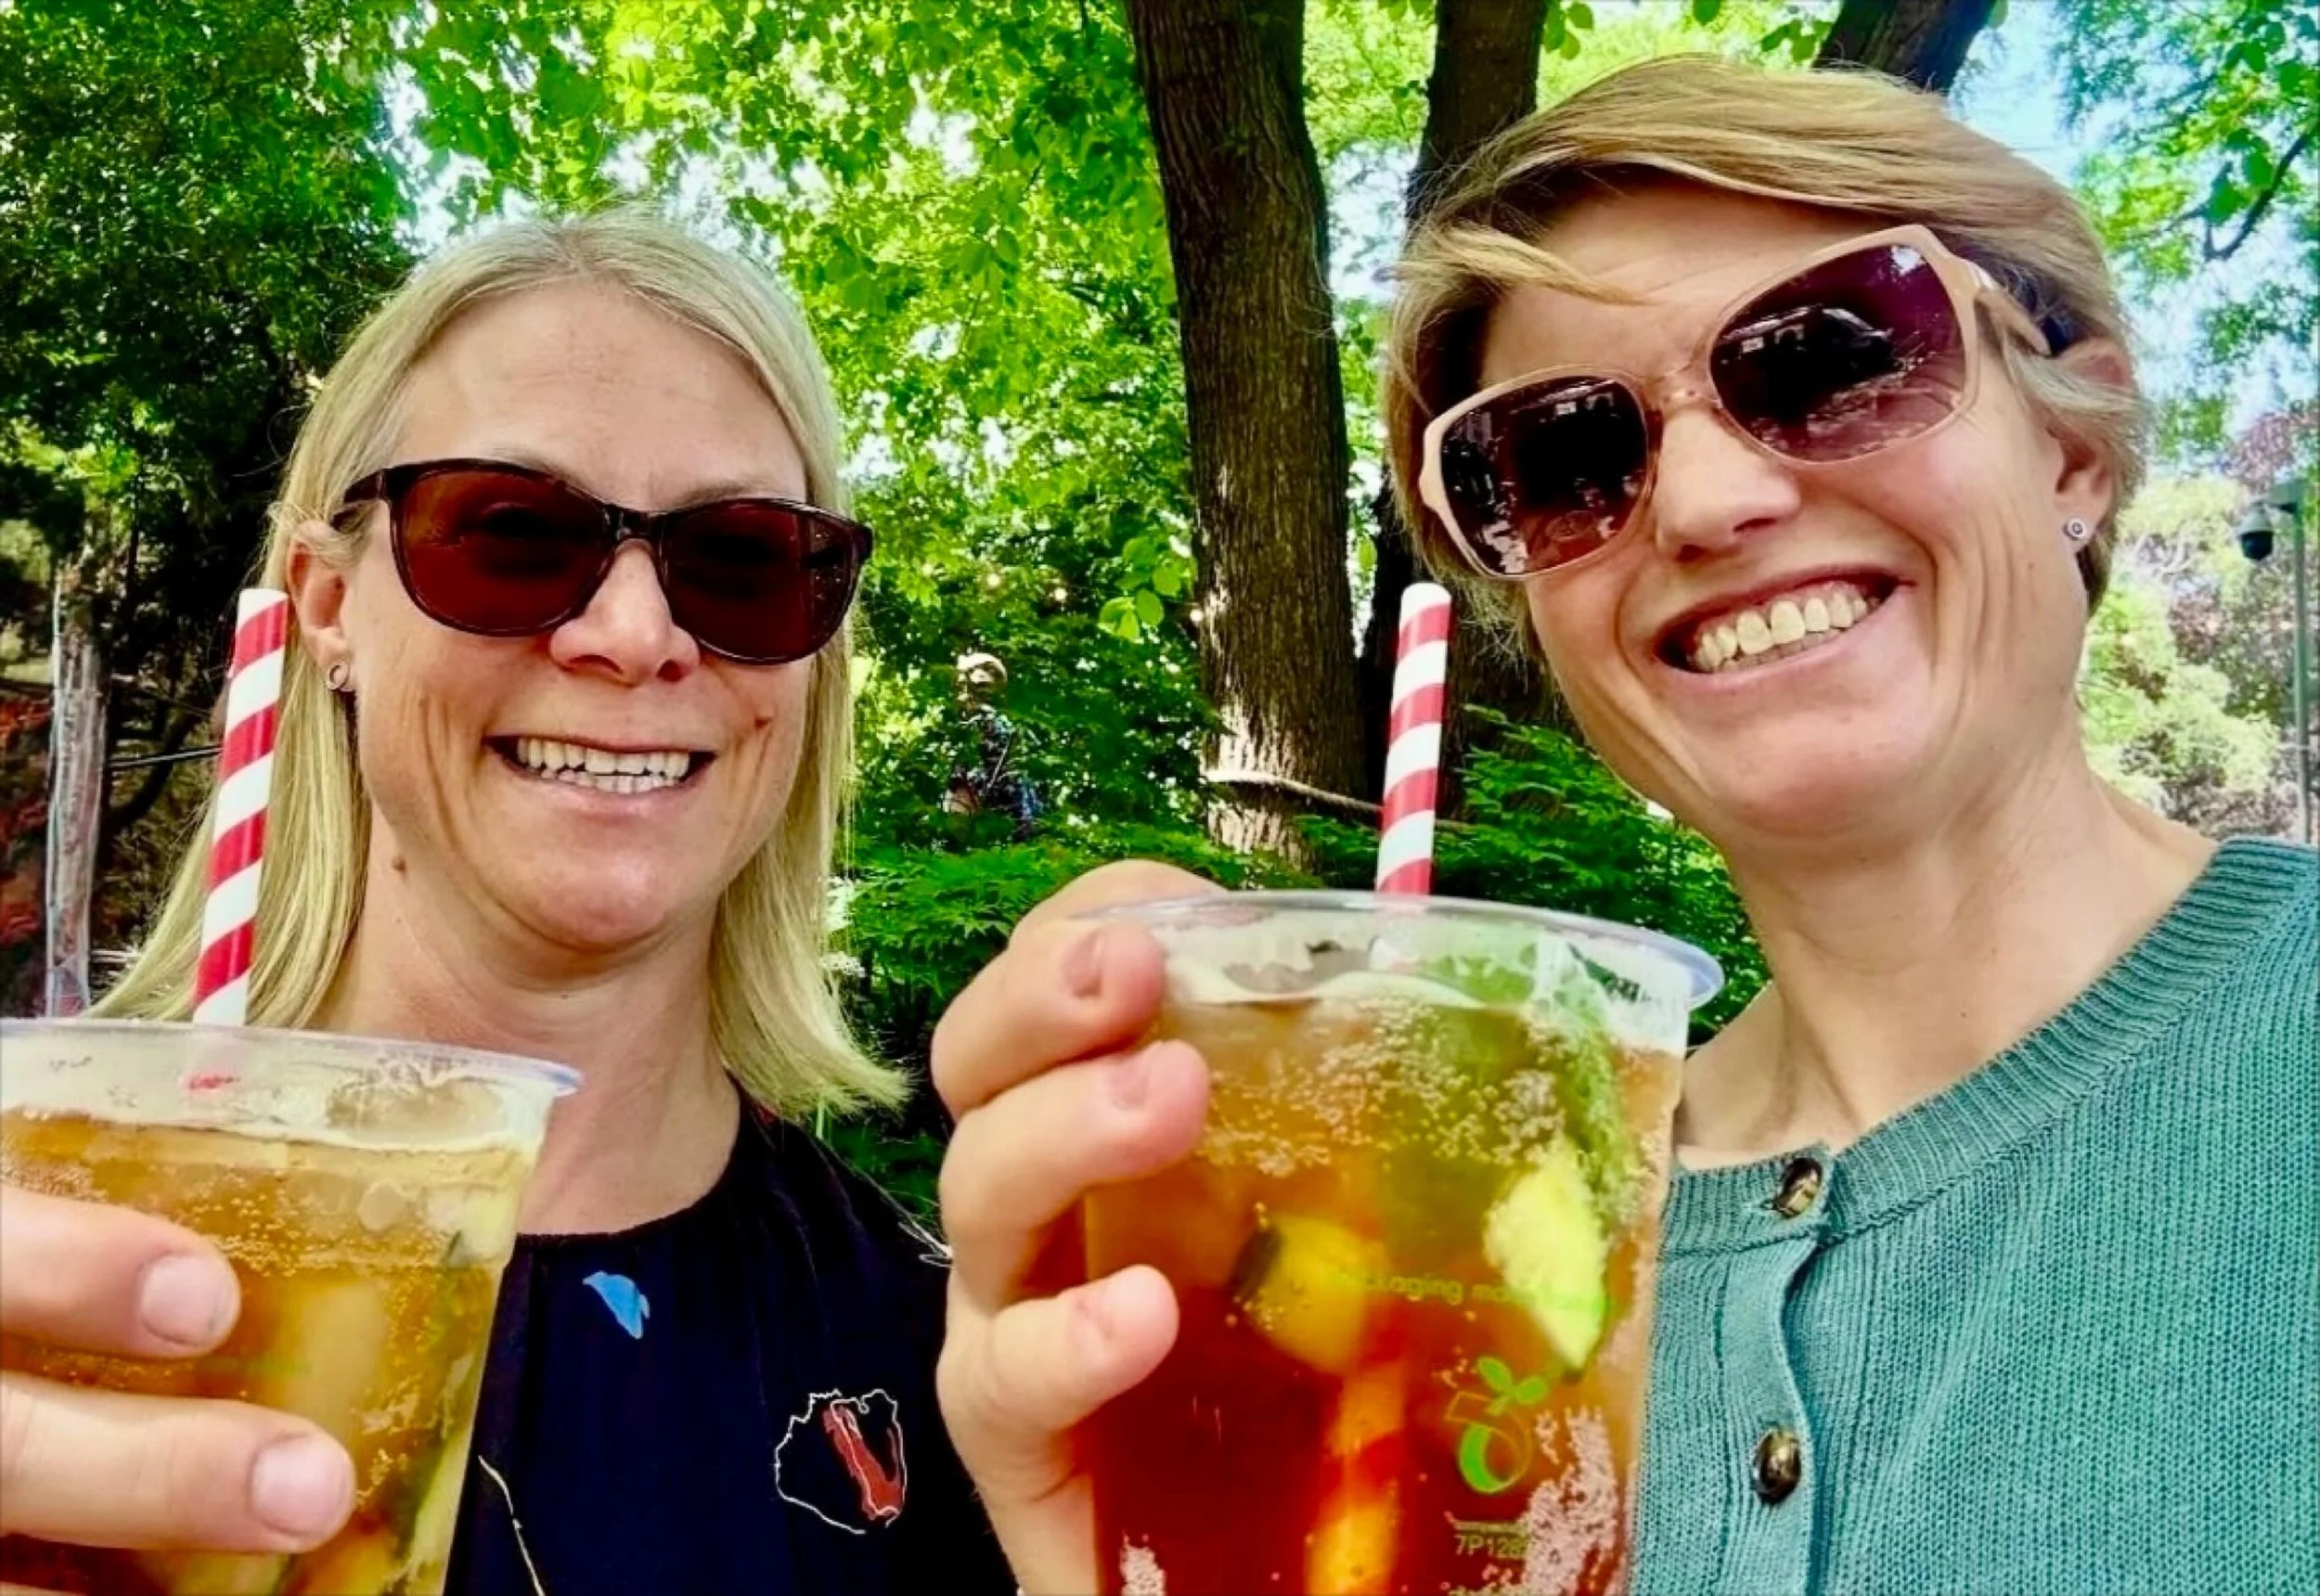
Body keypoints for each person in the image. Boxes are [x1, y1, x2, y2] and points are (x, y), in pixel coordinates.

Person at [929, 55, 2317, 1594]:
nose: (1708, 499)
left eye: (1832, 356)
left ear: (2072, 443)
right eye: (1565, 459)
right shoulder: (1493, 1236)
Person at [0, 211, 1013, 1595]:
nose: (635, 636)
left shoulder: (964, 1389)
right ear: (328, 603)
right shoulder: (39, 1234)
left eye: (740, 559)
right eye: (513, 533)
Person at [943, 651, 1042, 840]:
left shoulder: (979, 725)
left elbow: (963, 790)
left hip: (996, 824)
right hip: (1017, 825)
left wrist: (954, 835)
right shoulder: (1009, 726)